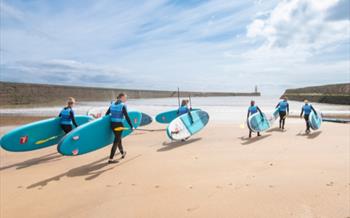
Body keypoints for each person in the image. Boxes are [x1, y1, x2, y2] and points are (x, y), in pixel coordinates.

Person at [105, 93, 134, 164]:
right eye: (125, 97)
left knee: (118, 139)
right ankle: (111, 159)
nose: (126, 99)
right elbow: (127, 116)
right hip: (119, 125)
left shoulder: (112, 105)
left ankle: (122, 153)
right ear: (121, 97)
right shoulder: (122, 105)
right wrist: (131, 126)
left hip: (112, 124)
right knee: (116, 141)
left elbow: (106, 114)